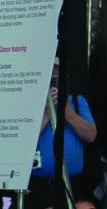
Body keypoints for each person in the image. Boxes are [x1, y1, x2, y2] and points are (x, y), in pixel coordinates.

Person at [32, 58, 98, 199]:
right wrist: (48, 112)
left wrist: (68, 113)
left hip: (74, 183)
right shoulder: (30, 102)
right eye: (51, 70)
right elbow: (24, 141)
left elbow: (91, 136)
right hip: (39, 184)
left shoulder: (77, 101)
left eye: (57, 71)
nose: (54, 74)